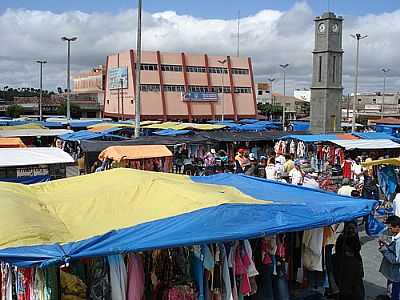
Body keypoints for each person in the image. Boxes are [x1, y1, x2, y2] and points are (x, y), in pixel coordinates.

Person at [334, 222, 365, 300]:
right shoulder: (356, 261)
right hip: (349, 287)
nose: (351, 231)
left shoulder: (342, 240)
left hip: (346, 287)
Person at [379, 215, 400, 300]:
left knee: (394, 294)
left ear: (397, 227)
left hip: (396, 274)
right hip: (393, 274)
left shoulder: (399, 242)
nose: (389, 230)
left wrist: (384, 250)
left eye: (390, 228)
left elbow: (396, 259)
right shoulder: (395, 237)